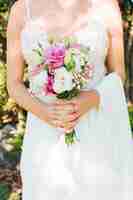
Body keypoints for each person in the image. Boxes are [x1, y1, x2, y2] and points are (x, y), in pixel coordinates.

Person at [6, 0, 133, 199]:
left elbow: (118, 74)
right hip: (44, 136)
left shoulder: (107, 6)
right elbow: (13, 84)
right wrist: (47, 113)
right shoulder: (21, 11)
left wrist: (92, 98)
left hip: (98, 134)